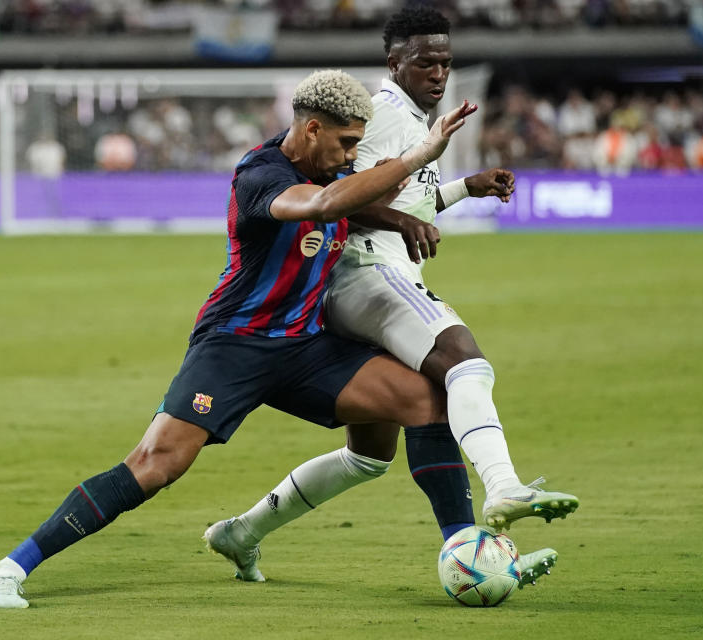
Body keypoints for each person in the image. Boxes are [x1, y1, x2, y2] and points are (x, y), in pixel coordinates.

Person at [0, 69, 474, 609]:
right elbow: (324, 205)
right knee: (155, 463)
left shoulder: (336, 168)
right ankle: (7, 571)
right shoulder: (261, 175)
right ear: (309, 130)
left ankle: (467, 554)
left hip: (305, 345)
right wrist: (422, 151)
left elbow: (355, 198)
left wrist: (432, 202)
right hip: (236, 344)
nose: (353, 153)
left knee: (424, 400)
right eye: (346, 141)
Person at [205, 5, 577, 584]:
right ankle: (501, 490)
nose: (438, 72)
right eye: (425, 61)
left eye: (445, 62)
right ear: (393, 62)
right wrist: (399, 222)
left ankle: (242, 531)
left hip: (373, 278)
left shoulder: (412, 118)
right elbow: (330, 195)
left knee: (374, 451)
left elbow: (405, 204)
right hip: (363, 273)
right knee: (464, 363)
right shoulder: (379, 115)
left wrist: (462, 189)